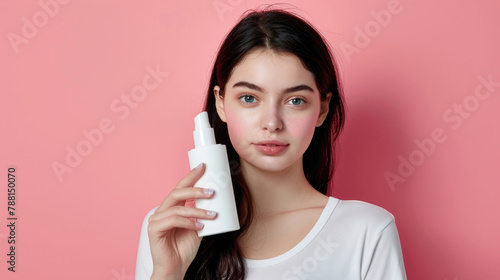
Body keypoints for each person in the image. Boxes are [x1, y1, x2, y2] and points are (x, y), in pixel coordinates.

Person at [135, 7, 407, 280]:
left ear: (323, 109)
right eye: (249, 98)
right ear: (220, 102)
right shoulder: (169, 230)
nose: (272, 123)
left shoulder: (366, 232)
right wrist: (168, 273)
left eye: (295, 100)